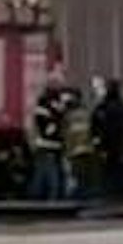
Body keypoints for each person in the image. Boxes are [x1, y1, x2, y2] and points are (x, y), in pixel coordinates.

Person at [29, 72, 72, 201]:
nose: (60, 87)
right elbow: (46, 127)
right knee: (49, 176)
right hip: (46, 146)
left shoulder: (58, 102)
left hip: (56, 146)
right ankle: (50, 201)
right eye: (58, 84)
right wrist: (58, 120)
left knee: (45, 175)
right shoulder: (44, 102)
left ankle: (41, 198)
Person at [91, 79, 123, 201]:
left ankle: (109, 196)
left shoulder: (103, 108)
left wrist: (100, 147)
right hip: (121, 148)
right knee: (120, 173)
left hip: (109, 148)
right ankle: (122, 196)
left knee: (109, 174)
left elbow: (97, 129)